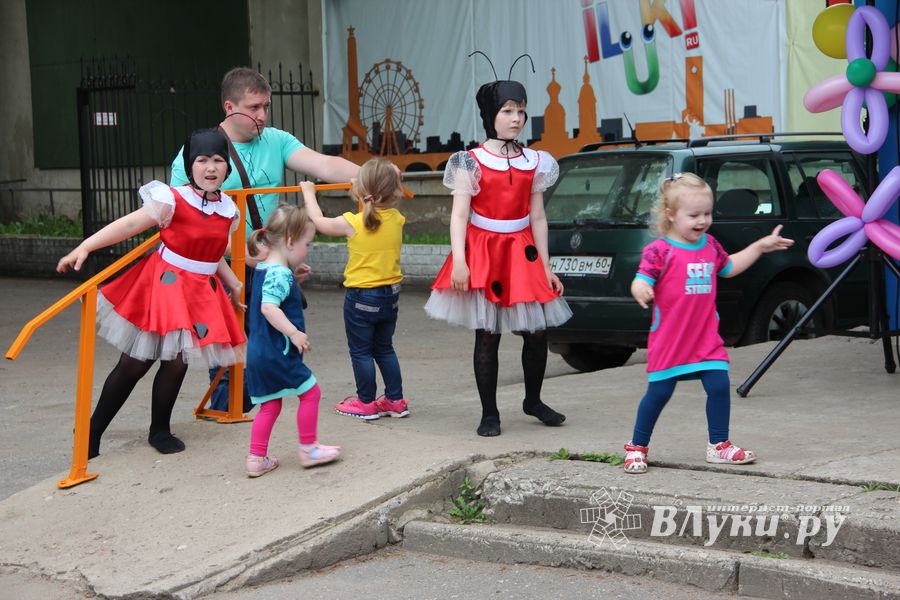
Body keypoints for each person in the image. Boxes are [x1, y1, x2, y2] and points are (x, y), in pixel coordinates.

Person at [170, 67, 360, 412]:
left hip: (261, 267)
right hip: (218, 268)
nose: (262, 115)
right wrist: (240, 255)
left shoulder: (276, 139)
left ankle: (250, 417)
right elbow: (186, 226)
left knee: (264, 348)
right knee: (228, 353)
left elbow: (325, 166)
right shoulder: (198, 154)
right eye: (254, 107)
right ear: (230, 107)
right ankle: (229, 414)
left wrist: (373, 174)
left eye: (266, 107)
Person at [57, 128, 246, 458]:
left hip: (199, 294)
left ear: (227, 167)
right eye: (202, 160)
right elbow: (130, 225)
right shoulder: (171, 199)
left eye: (218, 160)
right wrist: (85, 246)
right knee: (136, 361)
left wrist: (233, 284)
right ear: (190, 166)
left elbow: (212, 254)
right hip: (165, 286)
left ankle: (159, 429)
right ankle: (91, 430)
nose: (211, 167)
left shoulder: (229, 210)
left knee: (177, 363)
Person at [423, 74, 573, 437]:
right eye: (507, 110)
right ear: (491, 114)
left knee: (536, 332)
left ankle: (532, 400)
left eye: (521, 111)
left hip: (522, 252)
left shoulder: (535, 161)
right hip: (485, 251)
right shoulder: (469, 161)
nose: (516, 118)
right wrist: (460, 260)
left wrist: (547, 268)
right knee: (488, 334)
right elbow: (459, 215)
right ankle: (489, 413)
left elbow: (537, 216)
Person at [623, 173, 794, 474]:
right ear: (671, 215)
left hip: (705, 338)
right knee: (659, 394)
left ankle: (719, 445)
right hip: (671, 340)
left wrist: (759, 247)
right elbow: (640, 279)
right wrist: (641, 289)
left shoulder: (710, 245)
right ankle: (637, 446)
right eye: (694, 215)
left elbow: (728, 268)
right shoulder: (659, 251)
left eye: (707, 213)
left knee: (718, 385)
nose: (702, 220)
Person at [300, 158, 409, 420]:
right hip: (390, 296)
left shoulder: (352, 222)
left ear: (362, 192)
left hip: (362, 297)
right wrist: (364, 187)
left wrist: (308, 193)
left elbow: (318, 220)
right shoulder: (397, 219)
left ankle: (366, 403)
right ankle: (395, 401)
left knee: (361, 351)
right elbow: (385, 189)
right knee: (384, 348)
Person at [243, 204, 341, 476]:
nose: (307, 249)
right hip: (278, 352)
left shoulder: (265, 268)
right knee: (311, 392)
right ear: (289, 241)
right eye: (306, 243)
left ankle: (256, 458)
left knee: (270, 404)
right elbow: (269, 308)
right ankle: (309, 449)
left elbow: (272, 297)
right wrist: (294, 333)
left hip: (259, 353)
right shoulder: (279, 274)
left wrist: (293, 280)